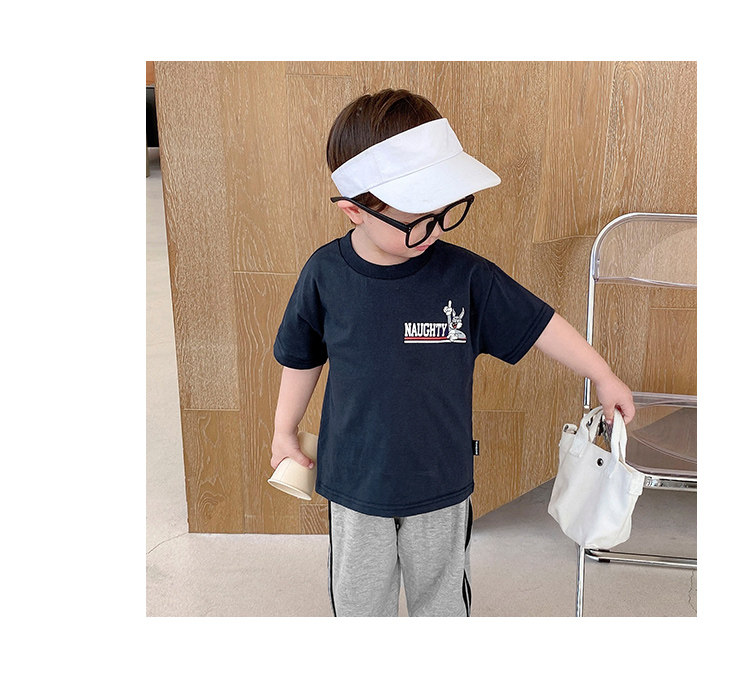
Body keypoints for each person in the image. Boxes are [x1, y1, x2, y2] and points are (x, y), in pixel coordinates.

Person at [271, 89, 634, 617]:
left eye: (444, 212)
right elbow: (301, 356)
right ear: (354, 211)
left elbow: (539, 325)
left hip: (441, 483)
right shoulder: (324, 275)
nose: (435, 230)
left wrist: (602, 373)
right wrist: (284, 429)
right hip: (354, 482)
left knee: (441, 603)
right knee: (358, 606)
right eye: (418, 219)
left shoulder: (465, 277)